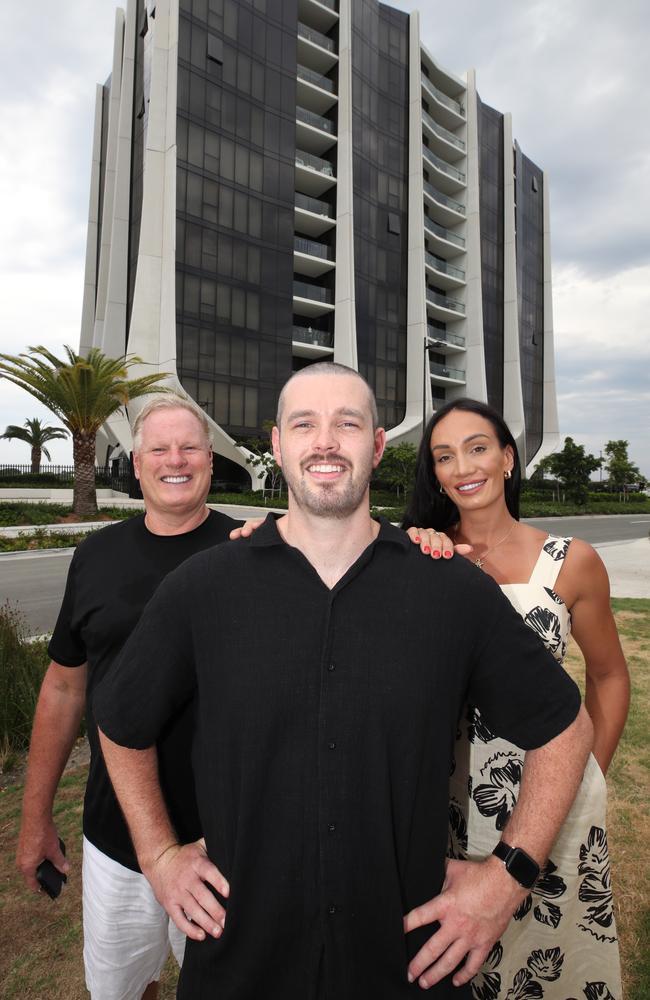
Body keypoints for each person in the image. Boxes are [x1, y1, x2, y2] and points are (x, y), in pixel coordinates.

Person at [95, 362, 593, 999]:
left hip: (407, 963)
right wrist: (159, 855)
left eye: (347, 424)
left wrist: (506, 878)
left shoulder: (449, 589)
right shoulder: (203, 587)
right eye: (305, 424)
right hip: (239, 964)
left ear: (378, 446)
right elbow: (120, 722)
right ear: (277, 444)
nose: (325, 442)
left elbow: (565, 730)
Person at [16, 394, 242, 1000]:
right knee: (124, 988)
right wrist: (36, 817)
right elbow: (64, 688)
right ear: (136, 465)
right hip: (116, 835)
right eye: (160, 449)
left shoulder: (252, 552)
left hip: (227, 837)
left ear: (210, 463)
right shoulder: (95, 557)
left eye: (190, 447)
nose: (176, 460)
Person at [403, 397, 629, 1000]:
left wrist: (588, 775)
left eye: (477, 448)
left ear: (507, 458)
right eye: (443, 456)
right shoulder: (420, 557)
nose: (462, 466)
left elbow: (609, 677)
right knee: (460, 964)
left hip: (551, 809)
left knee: (551, 970)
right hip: (450, 808)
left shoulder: (571, 562)